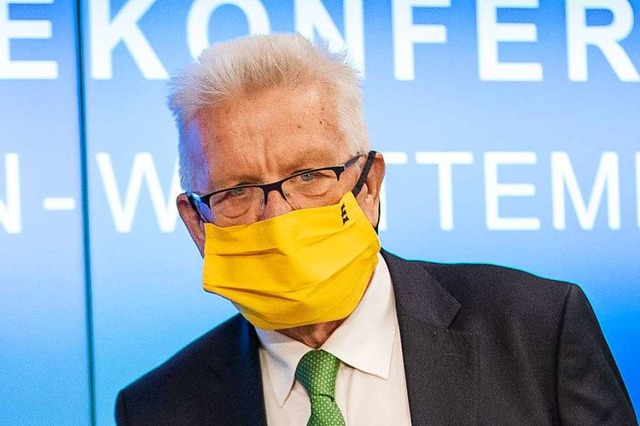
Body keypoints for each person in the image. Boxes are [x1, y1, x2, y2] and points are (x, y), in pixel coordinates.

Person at [115, 33, 637, 426]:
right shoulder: (160, 408)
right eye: (236, 192)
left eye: (309, 176)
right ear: (196, 223)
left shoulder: (536, 330)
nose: (280, 218)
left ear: (369, 186)